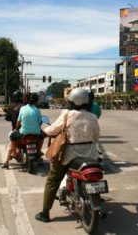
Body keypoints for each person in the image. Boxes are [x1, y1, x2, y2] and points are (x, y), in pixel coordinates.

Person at [35, 87, 100, 223]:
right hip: (90, 154)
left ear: (72, 101)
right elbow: (96, 136)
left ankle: (45, 213)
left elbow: (54, 129)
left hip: (69, 155)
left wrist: (44, 132)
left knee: (53, 179)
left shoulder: (67, 114)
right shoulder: (93, 117)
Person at [1, 92, 43, 168]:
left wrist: (16, 129)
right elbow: (40, 122)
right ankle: (38, 153)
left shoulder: (20, 108)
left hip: (22, 132)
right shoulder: (36, 110)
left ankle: (11, 156)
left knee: (12, 138)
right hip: (35, 133)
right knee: (42, 135)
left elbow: (16, 121)